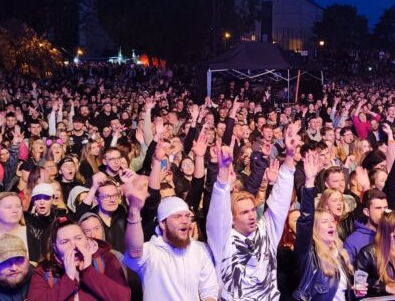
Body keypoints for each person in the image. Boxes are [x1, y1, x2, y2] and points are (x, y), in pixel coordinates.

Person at [206, 122, 299, 301]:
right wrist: (223, 173)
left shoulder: (266, 230)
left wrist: (289, 156)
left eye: (252, 210)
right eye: (244, 213)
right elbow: (218, 211)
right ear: (231, 219)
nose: (251, 215)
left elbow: (280, 202)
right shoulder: (223, 239)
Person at [123, 166, 218, 301]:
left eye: (187, 216)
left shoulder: (200, 249)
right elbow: (134, 251)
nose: (185, 221)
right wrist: (134, 210)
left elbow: (209, 290)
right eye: (177, 216)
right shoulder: (151, 252)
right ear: (162, 223)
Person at [293, 152, 353, 300]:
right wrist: (309, 182)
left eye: (331, 221)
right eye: (324, 222)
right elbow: (306, 221)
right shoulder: (309, 255)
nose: (331, 224)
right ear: (315, 229)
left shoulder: (339, 254)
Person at [27, 218, 130, 301]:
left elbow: (123, 298)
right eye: (65, 242)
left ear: (86, 239)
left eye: (79, 238)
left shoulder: (106, 259)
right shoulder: (43, 271)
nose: (74, 245)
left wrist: (88, 271)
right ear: (55, 248)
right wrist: (68, 278)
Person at [343, 189, 389, 264]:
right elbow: (350, 272)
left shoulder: (393, 234)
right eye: (378, 208)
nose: (383, 212)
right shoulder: (353, 242)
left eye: (386, 208)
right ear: (367, 212)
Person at [0, 234, 33, 301]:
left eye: (19, 259)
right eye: (5, 262)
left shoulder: (38, 278)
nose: (14, 268)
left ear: (27, 259)